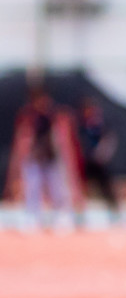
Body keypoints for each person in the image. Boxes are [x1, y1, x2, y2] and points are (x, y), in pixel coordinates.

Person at [6, 86, 82, 229]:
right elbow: (21, 142)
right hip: (34, 159)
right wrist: (16, 170)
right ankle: (32, 218)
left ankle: (62, 217)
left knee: (58, 189)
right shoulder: (28, 118)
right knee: (32, 190)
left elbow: (65, 141)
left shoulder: (57, 117)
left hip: (52, 158)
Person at [78, 96, 120, 214]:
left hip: (98, 162)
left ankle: (114, 210)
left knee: (106, 186)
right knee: (80, 187)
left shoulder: (100, 125)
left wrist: (102, 153)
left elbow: (109, 140)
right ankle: (79, 212)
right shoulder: (80, 125)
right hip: (85, 162)